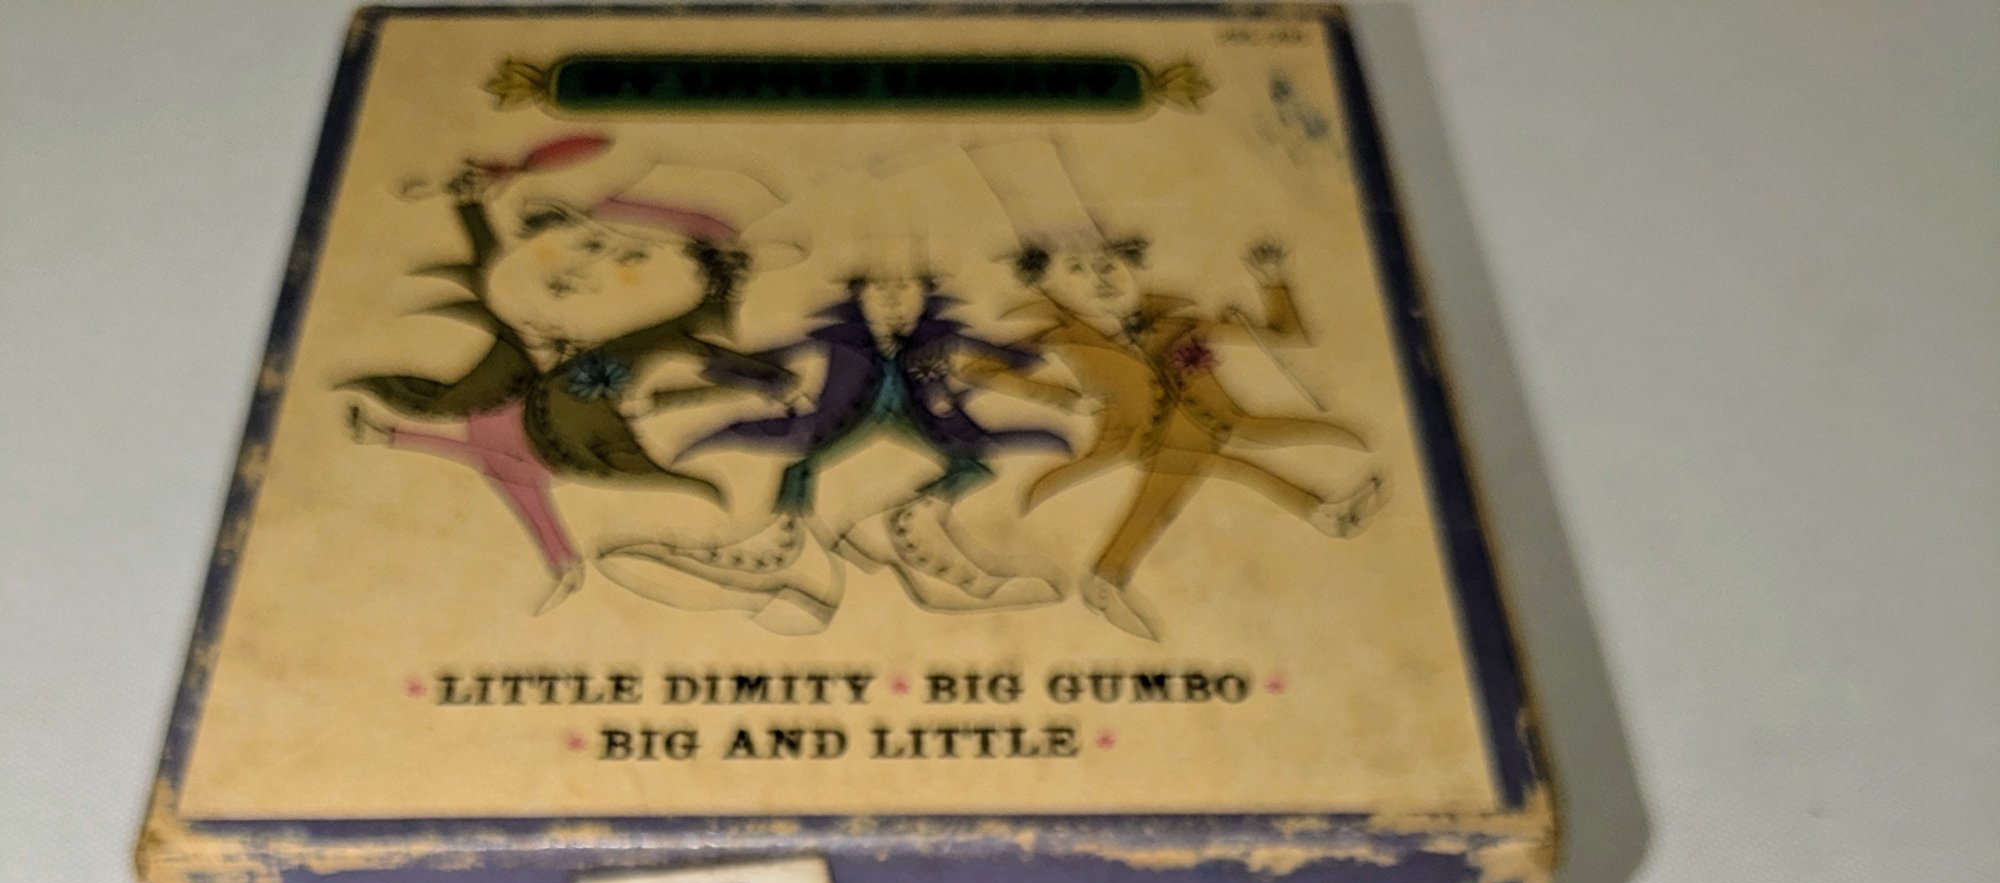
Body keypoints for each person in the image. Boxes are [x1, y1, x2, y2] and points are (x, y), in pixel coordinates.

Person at [343, 154, 794, 612]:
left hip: (551, 448)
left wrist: (763, 382)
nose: (581, 271)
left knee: (501, 469)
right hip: (509, 428)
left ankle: (566, 564)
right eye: (589, 242)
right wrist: (470, 206)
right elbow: (492, 267)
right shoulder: (532, 321)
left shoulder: (641, 350)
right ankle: (564, 565)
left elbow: (697, 373)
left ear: (704, 285)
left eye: (635, 258)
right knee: (500, 468)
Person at [970, 232, 1388, 640]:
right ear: (1047, 286)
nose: (1100, 280)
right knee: (1222, 468)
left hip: (1221, 424)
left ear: (1134, 268)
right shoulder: (1061, 338)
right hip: (1145, 439)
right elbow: (979, 368)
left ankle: (1106, 577)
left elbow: (1287, 334)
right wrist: (1065, 399)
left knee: (1164, 496)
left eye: (1110, 265)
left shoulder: (1179, 324)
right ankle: (1322, 514)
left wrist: (1272, 281)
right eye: (1076, 269)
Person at [627, 267, 1071, 616]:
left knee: (972, 466)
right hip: (838, 423)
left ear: (925, 294)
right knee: (801, 466)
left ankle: (899, 524)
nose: (894, 298)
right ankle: (787, 549)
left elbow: (1013, 358)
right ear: (859, 296)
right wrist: (767, 383)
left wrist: (1035, 351)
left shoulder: (940, 339)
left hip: (925, 424)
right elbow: (750, 363)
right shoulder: (837, 340)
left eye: (906, 288)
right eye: (880, 289)